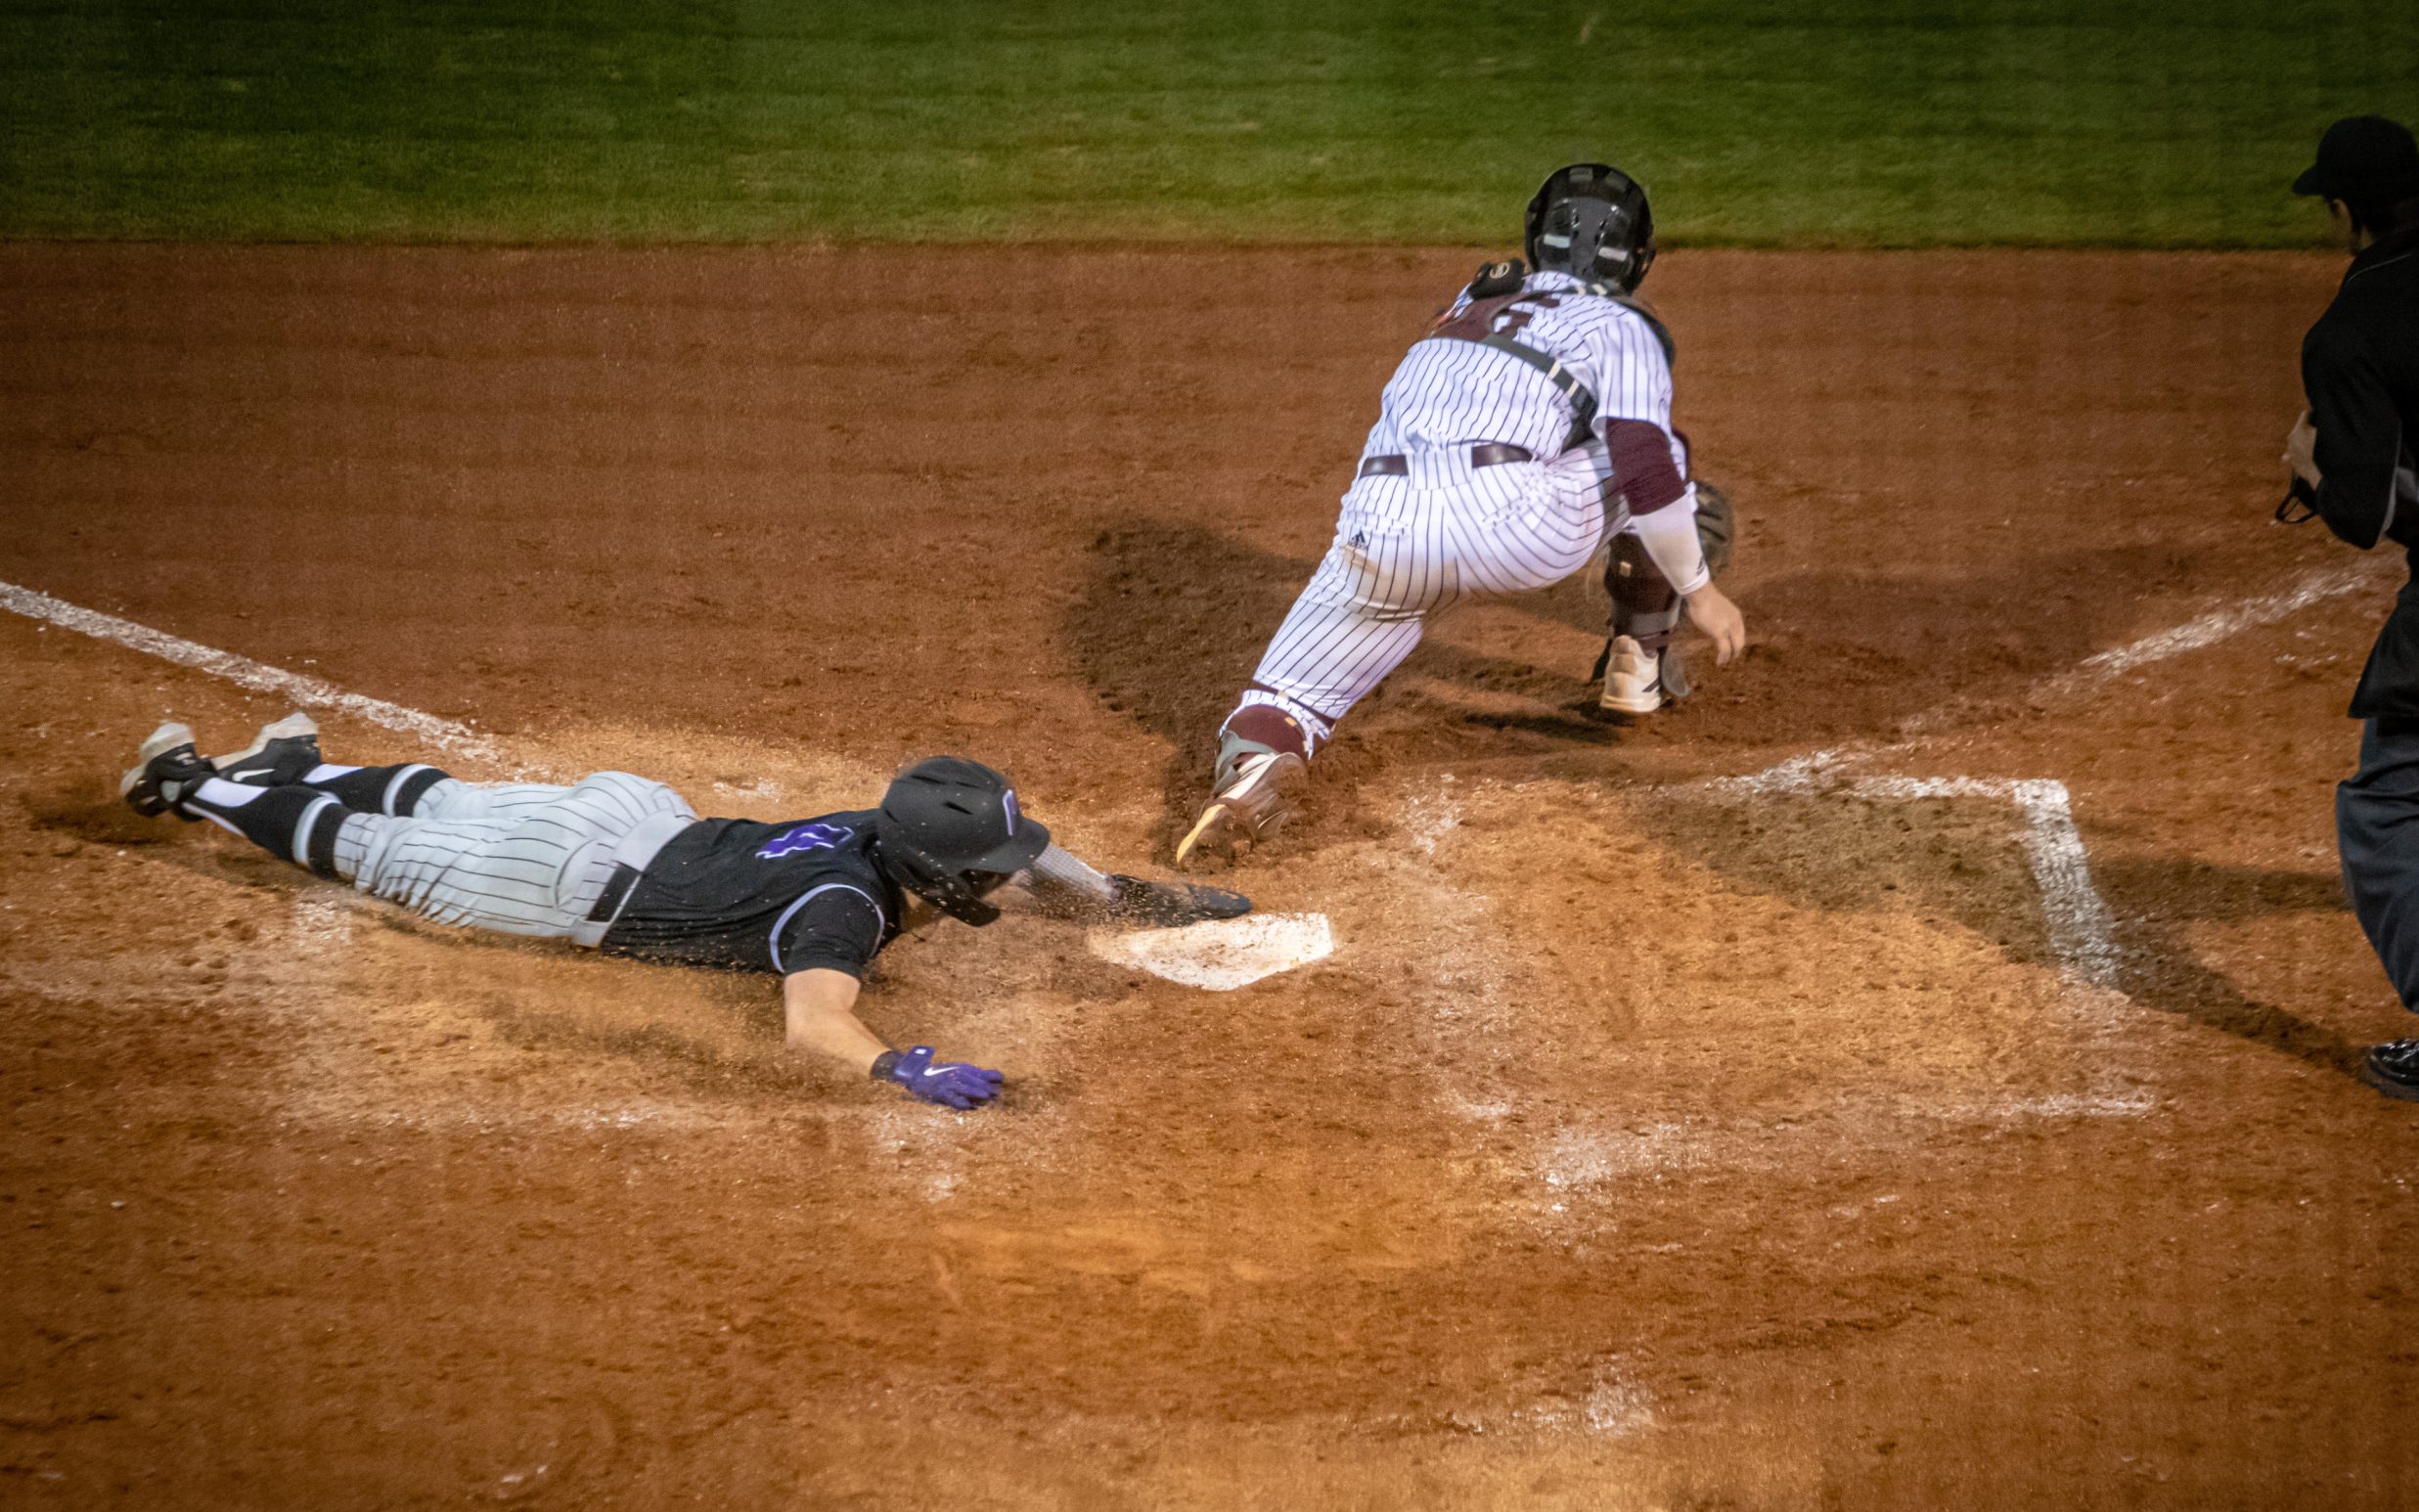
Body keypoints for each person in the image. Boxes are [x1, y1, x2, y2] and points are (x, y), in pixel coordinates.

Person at [121, 712, 1249, 1109]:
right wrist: (898, 1068)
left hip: (631, 818)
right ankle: (199, 787)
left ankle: (292, 767)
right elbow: (814, 1024)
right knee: (374, 854)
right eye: (990, 867)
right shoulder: (840, 908)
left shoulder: (888, 821)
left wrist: (1123, 896)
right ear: (936, 873)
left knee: (444, 800)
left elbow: (1036, 850)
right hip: (553, 885)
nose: (1012, 872)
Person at [1175, 162, 1747, 866]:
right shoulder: (1624, 325)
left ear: (1536, 238)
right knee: (1664, 462)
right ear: (1640, 257)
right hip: (1519, 526)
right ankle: (1638, 662)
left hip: (1381, 524)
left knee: (1284, 698)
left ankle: (1251, 776)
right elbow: (1640, 456)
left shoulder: (1473, 296)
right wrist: (1701, 590)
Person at [2278, 116, 2419, 1109]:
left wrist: (2310, 470)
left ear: (2340, 211)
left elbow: (2364, 516)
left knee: (2390, 809)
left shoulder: (2348, 331)